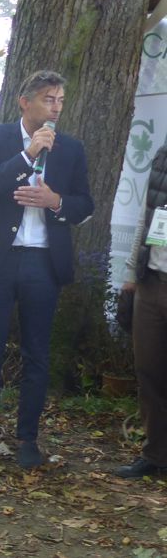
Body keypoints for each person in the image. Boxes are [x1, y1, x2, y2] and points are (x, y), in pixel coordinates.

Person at [0, 70, 94, 469]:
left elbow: (85, 205)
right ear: (25, 101)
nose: (56, 107)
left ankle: (27, 438)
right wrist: (28, 155)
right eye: (49, 99)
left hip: (42, 263)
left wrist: (55, 201)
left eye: (61, 100)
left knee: (37, 354)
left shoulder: (71, 148)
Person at [116, 143, 167, 478]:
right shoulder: (163, 155)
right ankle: (156, 455)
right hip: (152, 282)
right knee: (149, 372)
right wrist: (132, 274)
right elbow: (144, 216)